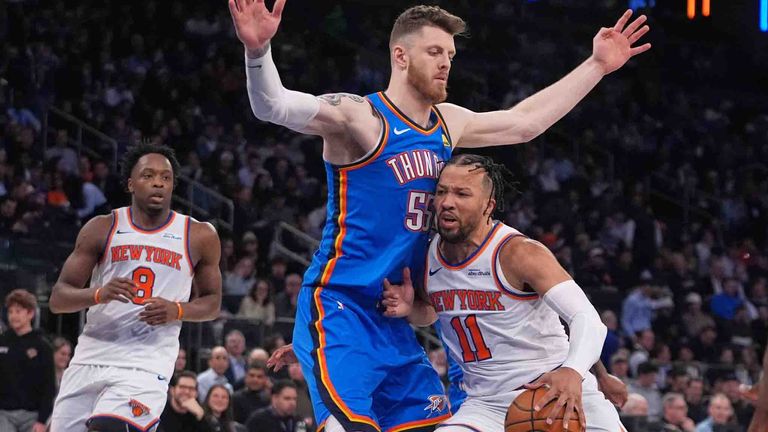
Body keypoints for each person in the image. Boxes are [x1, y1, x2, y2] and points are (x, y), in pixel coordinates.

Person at [229, 0, 650, 429]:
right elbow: (273, 106)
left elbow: (525, 123)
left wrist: (597, 65)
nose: (446, 63)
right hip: (343, 305)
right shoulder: (361, 117)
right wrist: (258, 51)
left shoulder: (448, 122)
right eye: (434, 52)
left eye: (450, 54)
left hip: (396, 314)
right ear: (400, 56)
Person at [380, 154, 625, 431]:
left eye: (462, 194)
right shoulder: (427, 257)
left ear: (488, 206)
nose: (447, 202)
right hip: (486, 404)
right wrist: (410, 309)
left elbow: (586, 318)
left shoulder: (519, 253)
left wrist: (575, 370)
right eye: (441, 192)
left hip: (557, 387)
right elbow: (432, 312)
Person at [47, 143, 223, 432]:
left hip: (146, 362)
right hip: (91, 356)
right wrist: (98, 293)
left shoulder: (199, 235)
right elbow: (58, 298)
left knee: (111, 428)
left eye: (166, 177)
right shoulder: (102, 227)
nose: (158, 183)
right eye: (148, 175)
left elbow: (212, 302)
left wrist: (177, 310)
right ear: (130, 183)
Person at [0, 289, 55, 432]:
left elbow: (49, 386)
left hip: (32, 416)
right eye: (10, 311)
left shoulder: (43, 346)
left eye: (18, 311)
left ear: (30, 313)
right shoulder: (2, 341)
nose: (13, 316)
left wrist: (42, 420)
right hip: (4, 414)